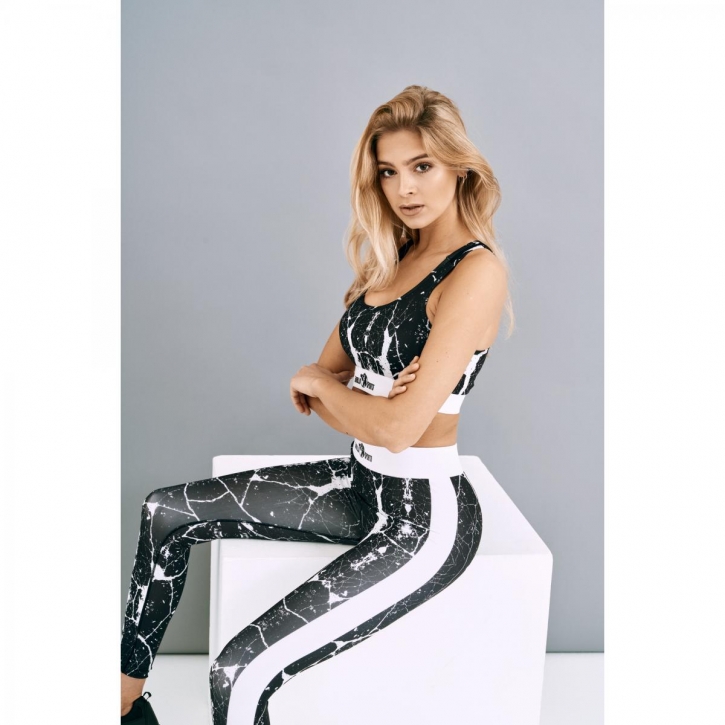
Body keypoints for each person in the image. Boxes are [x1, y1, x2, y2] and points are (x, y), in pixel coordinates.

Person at [120, 84, 513, 725]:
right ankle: (123, 703)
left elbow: (391, 425)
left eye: (422, 166)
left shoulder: (476, 272)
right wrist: (349, 398)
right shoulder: (392, 262)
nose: (405, 188)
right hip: (359, 484)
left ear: (459, 166)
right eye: (389, 172)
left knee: (235, 674)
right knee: (166, 511)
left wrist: (345, 396)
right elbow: (316, 386)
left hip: (423, 519)